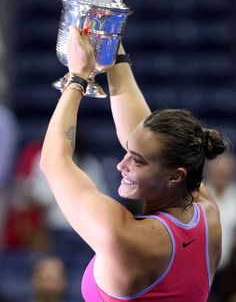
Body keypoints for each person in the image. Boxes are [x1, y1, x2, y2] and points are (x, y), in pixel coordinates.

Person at [40, 25, 230, 302]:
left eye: (136, 161)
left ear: (175, 176)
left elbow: (54, 162)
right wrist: (110, 44)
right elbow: (142, 136)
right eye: (128, 153)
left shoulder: (124, 236)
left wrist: (78, 77)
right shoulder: (207, 211)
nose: (121, 165)